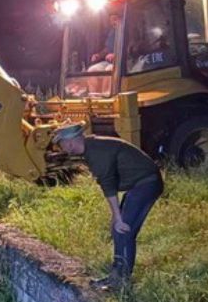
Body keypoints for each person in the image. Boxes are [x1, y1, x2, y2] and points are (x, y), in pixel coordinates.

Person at [52, 124, 164, 290]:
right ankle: (115, 276)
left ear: (69, 143)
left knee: (124, 230)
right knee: (118, 229)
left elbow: (108, 185)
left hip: (147, 184)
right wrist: (116, 217)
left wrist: (118, 217)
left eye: (61, 144)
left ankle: (122, 281)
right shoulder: (92, 147)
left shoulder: (96, 152)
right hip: (139, 184)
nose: (62, 149)